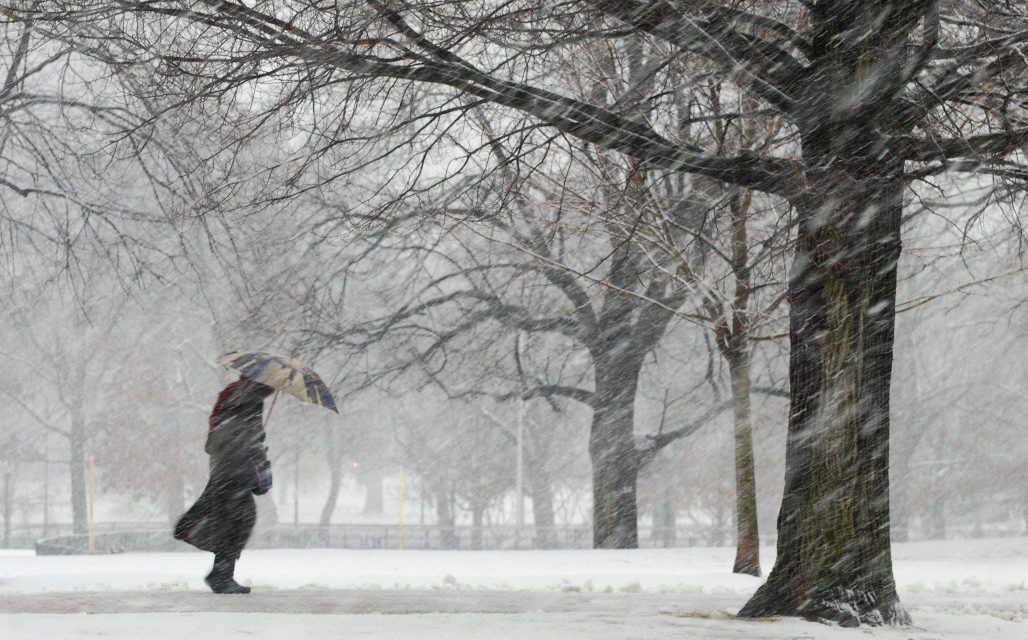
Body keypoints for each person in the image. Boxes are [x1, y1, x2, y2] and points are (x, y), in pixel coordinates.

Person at [174, 375, 275, 594]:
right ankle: (221, 576)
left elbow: (227, 431)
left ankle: (220, 573)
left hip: (224, 467)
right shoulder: (251, 397)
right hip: (236, 469)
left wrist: (254, 443)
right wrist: (258, 449)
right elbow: (246, 434)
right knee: (238, 522)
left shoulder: (235, 393)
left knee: (229, 521)